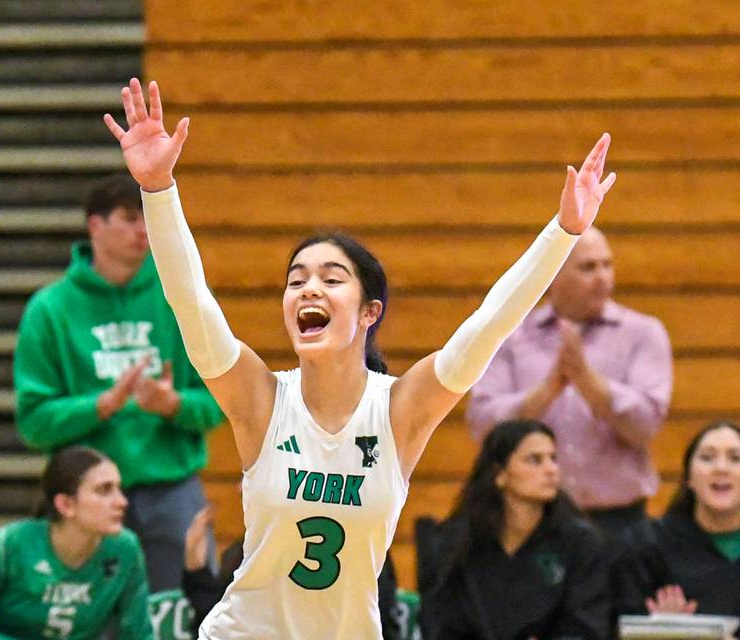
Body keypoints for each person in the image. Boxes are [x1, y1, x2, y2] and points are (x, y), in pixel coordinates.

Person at [102, 76, 616, 640]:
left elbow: (489, 325)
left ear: (369, 312)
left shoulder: (400, 410)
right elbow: (190, 302)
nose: (308, 289)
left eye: (330, 278)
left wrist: (563, 232)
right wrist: (158, 189)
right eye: (296, 280)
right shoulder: (262, 399)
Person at [13, 173, 225, 593]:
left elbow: (220, 401)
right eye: (129, 219)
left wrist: (173, 404)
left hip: (172, 491)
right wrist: (102, 405)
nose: (143, 231)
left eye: (146, 219)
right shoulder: (50, 310)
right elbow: (33, 422)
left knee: (189, 614)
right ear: (95, 225)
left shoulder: (180, 299)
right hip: (85, 496)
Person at [467, 226, 673, 535]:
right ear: (554, 275)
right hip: (532, 522)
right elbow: (484, 426)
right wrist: (548, 390)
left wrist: (586, 380)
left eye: (608, 264)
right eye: (589, 267)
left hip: (619, 523)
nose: (603, 277)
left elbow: (645, 427)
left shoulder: (643, 333)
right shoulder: (511, 335)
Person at [417, 419, 610, 640]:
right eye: (534, 460)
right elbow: (439, 623)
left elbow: (587, 627)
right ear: (500, 474)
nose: (551, 469)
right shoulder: (459, 541)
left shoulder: (579, 541)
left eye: (553, 459)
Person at [0, 446, 153, 640]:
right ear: (66, 504)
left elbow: (139, 634)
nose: (122, 501)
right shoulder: (10, 544)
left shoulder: (124, 549)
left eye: (119, 488)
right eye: (104, 490)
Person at [181, 506, 402, 639]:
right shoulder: (245, 551)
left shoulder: (365, 550)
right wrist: (197, 573)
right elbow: (226, 620)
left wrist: (198, 578)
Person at [613, 420, 740, 621]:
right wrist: (661, 631)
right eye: (707, 458)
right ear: (689, 477)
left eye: (735, 458)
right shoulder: (646, 544)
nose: (721, 468)